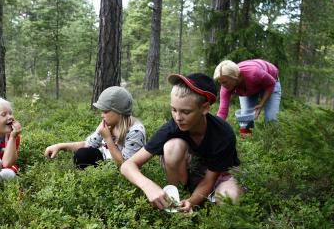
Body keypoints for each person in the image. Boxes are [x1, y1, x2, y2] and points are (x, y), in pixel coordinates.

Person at [121, 73, 242, 212]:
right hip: (192, 171)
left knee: (231, 199)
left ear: (205, 108)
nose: (178, 118)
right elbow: (127, 166)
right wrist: (149, 186)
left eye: (186, 112)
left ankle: (195, 202)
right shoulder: (172, 127)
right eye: (173, 110)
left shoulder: (222, 134)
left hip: (220, 173)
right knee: (172, 147)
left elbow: (209, 181)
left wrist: (192, 201)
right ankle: (178, 198)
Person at [44, 86, 146, 169]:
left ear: (119, 112)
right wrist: (60, 146)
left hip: (120, 170)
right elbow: (87, 145)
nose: (102, 115)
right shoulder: (108, 124)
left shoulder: (135, 131)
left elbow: (125, 165)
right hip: (103, 163)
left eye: (105, 111)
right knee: (82, 154)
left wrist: (107, 138)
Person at [213, 59, 281, 135]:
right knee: (245, 120)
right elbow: (222, 111)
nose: (223, 86)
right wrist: (215, 129)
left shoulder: (254, 73)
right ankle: (246, 138)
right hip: (249, 88)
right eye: (220, 83)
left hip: (270, 81)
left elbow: (271, 83)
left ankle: (272, 139)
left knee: (271, 119)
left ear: (235, 77)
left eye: (225, 82)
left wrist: (261, 103)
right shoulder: (225, 87)